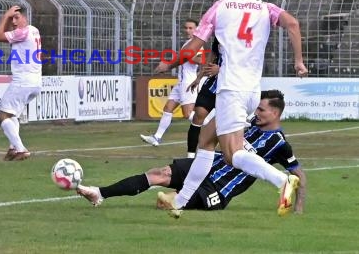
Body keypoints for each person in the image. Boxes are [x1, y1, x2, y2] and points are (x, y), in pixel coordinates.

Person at [155, 0, 308, 218]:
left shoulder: (219, 7)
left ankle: (281, 180)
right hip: (251, 90)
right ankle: (180, 201)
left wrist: (169, 64)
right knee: (205, 140)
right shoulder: (264, 7)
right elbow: (293, 24)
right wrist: (299, 61)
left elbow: (192, 48)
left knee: (231, 153)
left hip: (230, 89)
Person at [77, 90, 307, 215]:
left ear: (275, 113)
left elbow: (299, 174)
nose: (256, 112)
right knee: (160, 173)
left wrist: (298, 207)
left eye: (261, 109)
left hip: (218, 189)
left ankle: (176, 199)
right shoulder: (246, 123)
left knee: (165, 203)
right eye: (256, 107)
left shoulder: (279, 143)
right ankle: (100, 193)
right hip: (205, 166)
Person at [140, 19, 204, 156]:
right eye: (186, 28)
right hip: (180, 82)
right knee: (168, 108)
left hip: (189, 82)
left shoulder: (197, 44)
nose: (188, 30)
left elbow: (200, 60)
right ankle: (157, 137)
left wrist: (188, 56)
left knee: (188, 114)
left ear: (196, 29)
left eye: (191, 28)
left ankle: (215, 125)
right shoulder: (188, 43)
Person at [0, 6, 42, 161]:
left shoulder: (23, 32)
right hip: (35, 81)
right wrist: (9, 18)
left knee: (2, 116)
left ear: (25, 18)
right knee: (12, 115)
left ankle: (21, 149)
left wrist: (6, 15)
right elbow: (6, 35)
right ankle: (13, 148)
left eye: (16, 17)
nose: (13, 21)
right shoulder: (33, 30)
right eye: (12, 18)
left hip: (23, 81)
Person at [184, 37, 221, 156]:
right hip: (212, 84)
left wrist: (221, 69)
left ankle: (222, 155)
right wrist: (198, 78)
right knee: (198, 115)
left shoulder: (243, 42)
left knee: (224, 123)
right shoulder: (220, 36)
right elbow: (211, 59)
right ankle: (190, 157)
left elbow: (246, 65)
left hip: (231, 87)